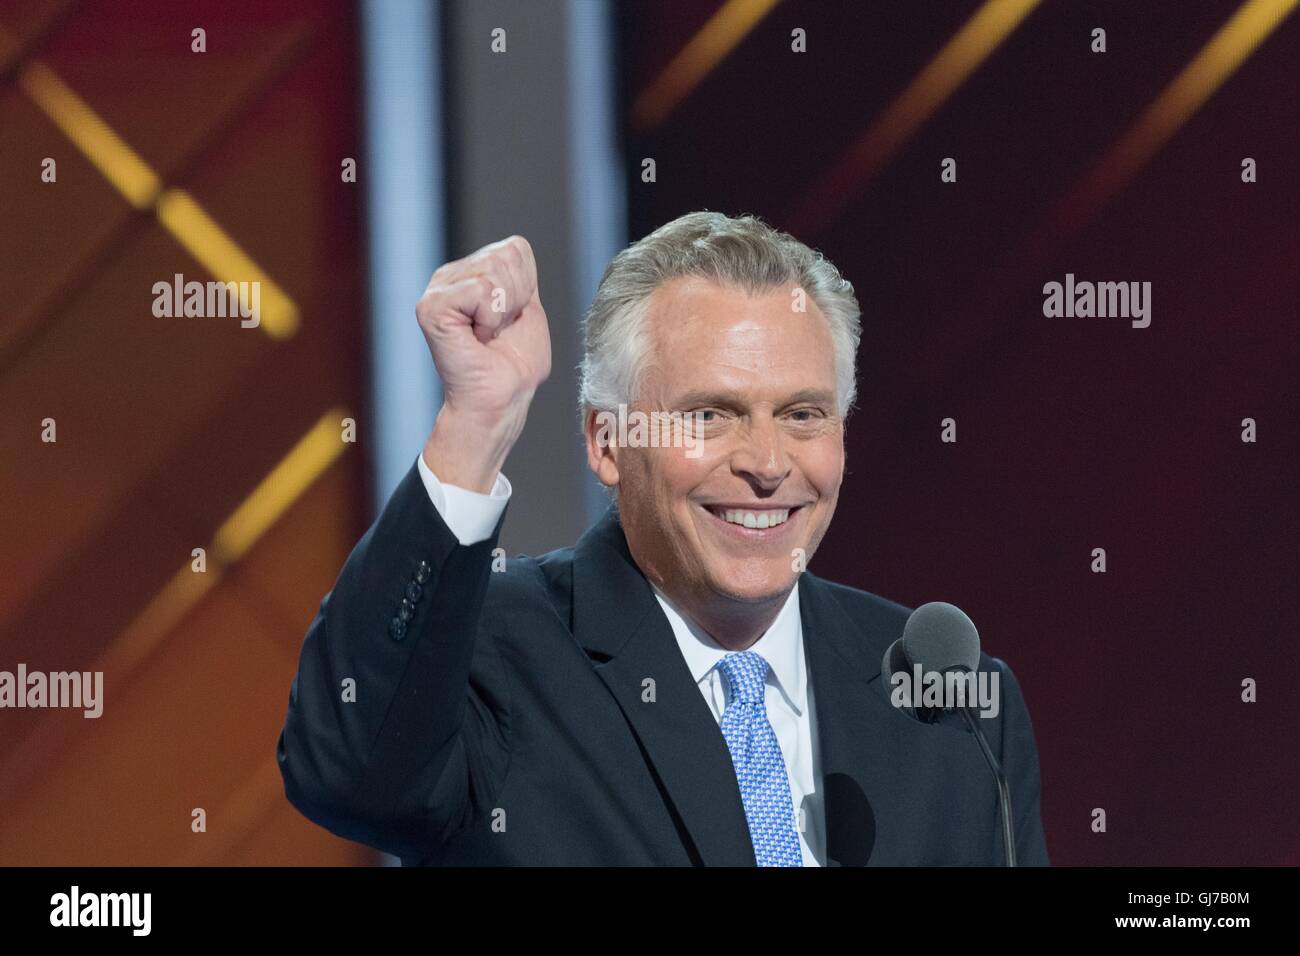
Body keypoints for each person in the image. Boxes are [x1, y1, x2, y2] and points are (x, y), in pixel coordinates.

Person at [276, 211, 1049, 866]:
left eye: (803, 414)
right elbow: (345, 770)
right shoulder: (492, 656)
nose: (767, 463)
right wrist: (476, 426)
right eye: (709, 414)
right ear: (607, 442)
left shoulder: (950, 701)